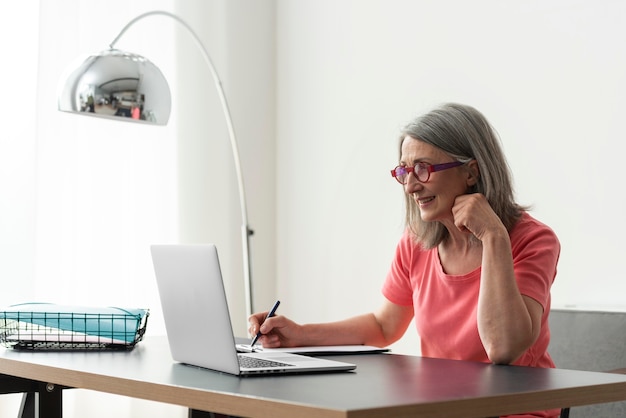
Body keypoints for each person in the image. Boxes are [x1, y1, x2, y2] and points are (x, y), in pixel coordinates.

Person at [249, 103, 561, 418]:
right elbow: (384, 326)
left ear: (471, 171)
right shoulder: (416, 243)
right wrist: (300, 334)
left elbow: (503, 349)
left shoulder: (532, 240)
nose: (410, 186)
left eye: (423, 168)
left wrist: (494, 237)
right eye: (404, 171)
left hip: (516, 412)